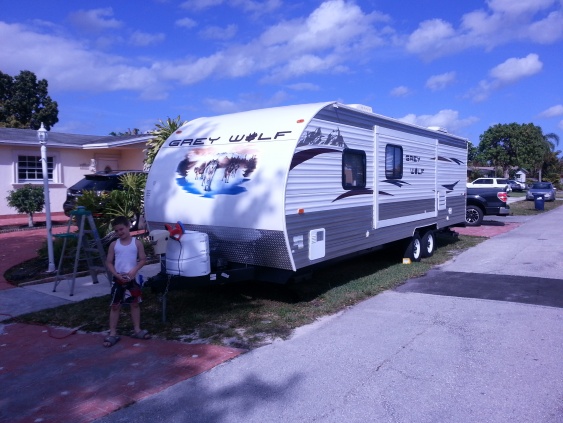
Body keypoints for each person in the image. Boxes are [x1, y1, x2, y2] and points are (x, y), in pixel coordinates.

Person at [103, 215, 149, 347]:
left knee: (134, 304)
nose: (119, 233)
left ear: (128, 227)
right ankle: (112, 333)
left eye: (121, 229)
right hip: (118, 280)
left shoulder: (137, 243)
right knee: (115, 305)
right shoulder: (114, 245)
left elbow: (143, 259)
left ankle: (137, 329)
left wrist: (135, 270)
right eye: (116, 231)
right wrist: (115, 274)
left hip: (132, 280)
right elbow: (109, 262)